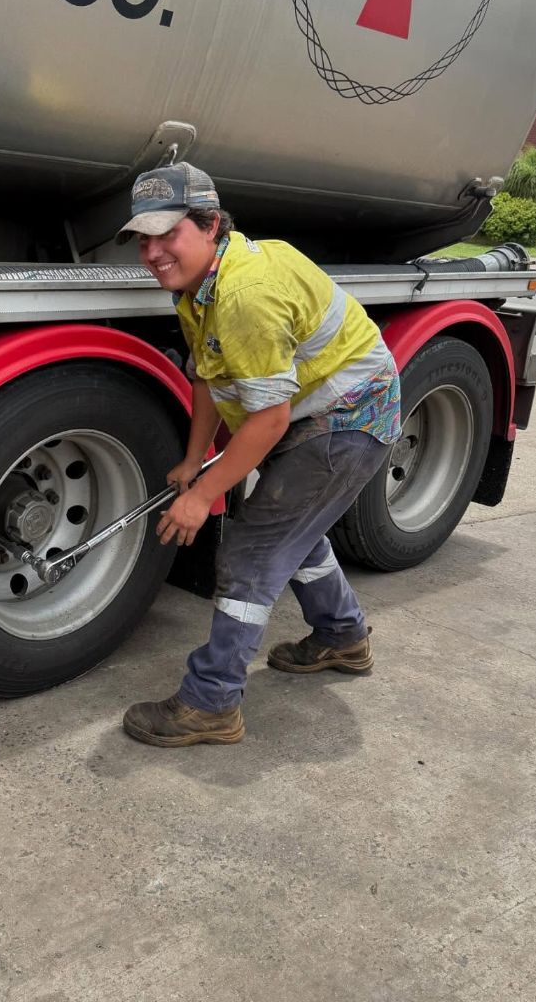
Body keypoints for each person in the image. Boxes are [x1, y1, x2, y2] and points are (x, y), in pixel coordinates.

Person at [116, 162, 401, 748]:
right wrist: (195, 459)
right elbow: (207, 378)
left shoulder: (245, 297)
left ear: (210, 224)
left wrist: (203, 495)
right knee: (292, 533)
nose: (152, 251)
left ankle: (211, 702)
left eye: (167, 234)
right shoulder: (202, 284)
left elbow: (268, 419)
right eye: (143, 238)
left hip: (347, 419)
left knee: (251, 552)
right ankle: (343, 637)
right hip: (313, 416)